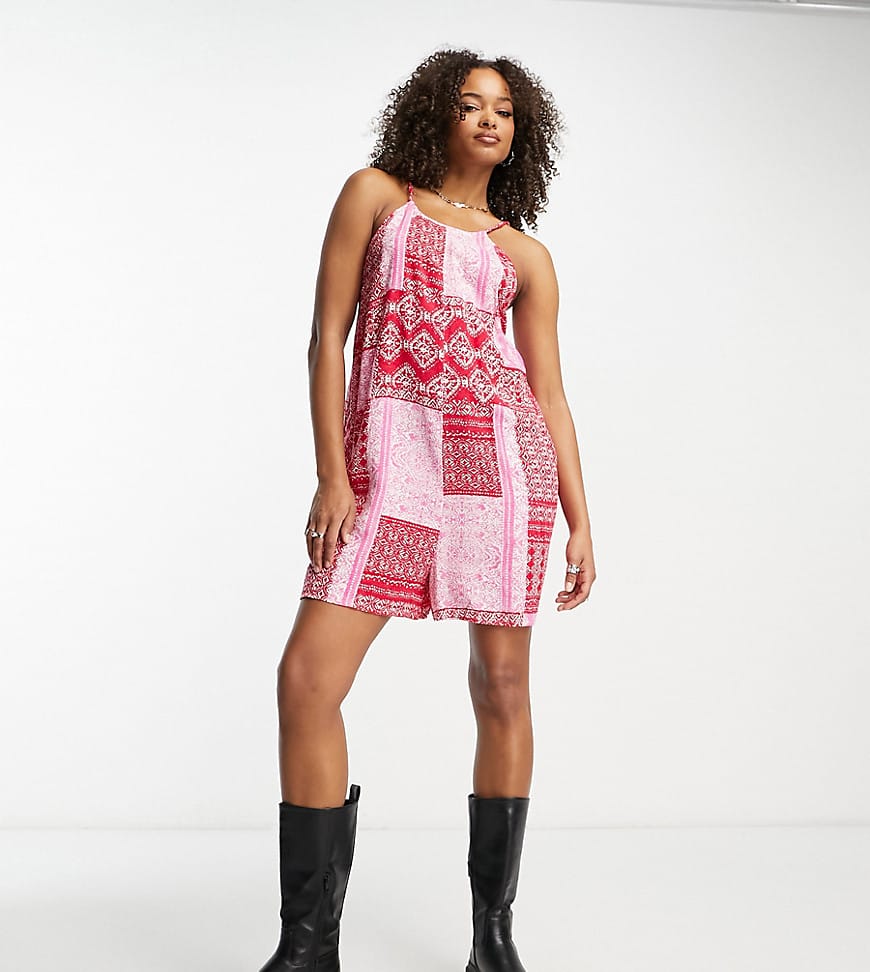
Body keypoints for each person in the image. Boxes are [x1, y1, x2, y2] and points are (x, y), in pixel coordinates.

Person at [257, 49, 596, 972]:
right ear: (435, 113)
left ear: (520, 134)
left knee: (503, 688)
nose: (489, 119)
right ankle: (308, 946)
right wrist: (333, 475)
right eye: (470, 103)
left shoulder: (523, 254)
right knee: (307, 681)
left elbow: (549, 395)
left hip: (500, 477)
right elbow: (328, 338)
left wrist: (580, 517)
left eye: (505, 110)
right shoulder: (377, 197)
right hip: (389, 472)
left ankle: (493, 939)